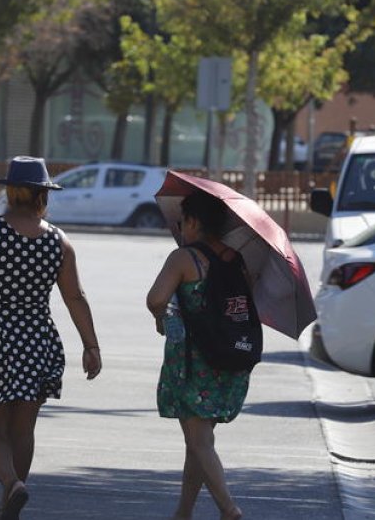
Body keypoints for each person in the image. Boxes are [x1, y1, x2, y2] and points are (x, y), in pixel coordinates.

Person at [0, 156, 102, 520]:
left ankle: (12, 486)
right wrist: (91, 346)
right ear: (42, 196)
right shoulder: (60, 242)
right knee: (22, 430)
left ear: (11, 191)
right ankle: (8, 505)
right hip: (37, 340)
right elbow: (75, 297)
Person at [145, 190, 250, 520]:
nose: (180, 228)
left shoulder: (184, 259)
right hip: (232, 358)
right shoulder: (237, 258)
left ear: (193, 221)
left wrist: (165, 316)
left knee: (199, 441)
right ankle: (184, 512)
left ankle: (228, 509)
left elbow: (155, 299)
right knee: (198, 441)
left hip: (194, 362)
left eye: (182, 221)